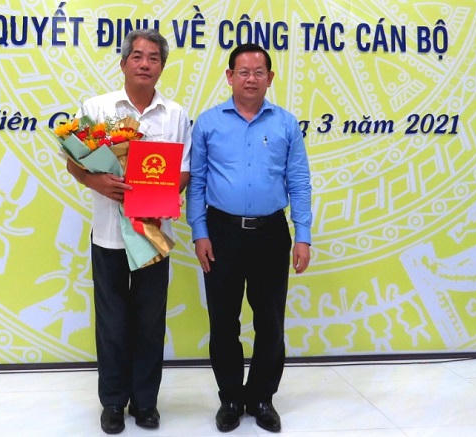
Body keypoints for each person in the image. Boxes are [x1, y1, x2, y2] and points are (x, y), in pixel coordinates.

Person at [65, 29, 192, 434]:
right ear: (123, 64)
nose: (144, 64)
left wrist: (161, 193)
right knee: (113, 324)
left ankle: (146, 403)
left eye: (153, 58)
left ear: (162, 66)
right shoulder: (97, 108)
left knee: (150, 323)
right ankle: (113, 403)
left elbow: (184, 170)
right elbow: (74, 161)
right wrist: (96, 181)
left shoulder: (175, 115)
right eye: (137, 56)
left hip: (154, 234)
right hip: (109, 235)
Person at [186, 43, 312, 433]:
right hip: (221, 232)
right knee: (223, 321)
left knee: (270, 321)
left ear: (270, 78)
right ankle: (230, 399)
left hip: (271, 233)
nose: (251, 79)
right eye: (243, 72)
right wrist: (199, 232)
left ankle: (261, 398)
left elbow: (299, 182)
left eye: (259, 72)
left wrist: (303, 236)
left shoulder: (286, 124)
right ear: (229, 77)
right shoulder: (208, 123)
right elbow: (197, 183)